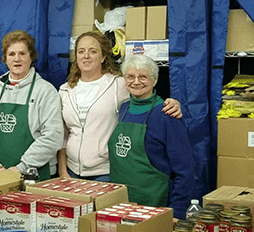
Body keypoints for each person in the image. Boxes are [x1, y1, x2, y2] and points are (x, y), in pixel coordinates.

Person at [58, 31, 182, 181]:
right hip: (71, 172)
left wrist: (171, 103)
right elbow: (63, 135)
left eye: (93, 51)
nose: (86, 56)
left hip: (105, 172)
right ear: (76, 56)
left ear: (103, 57)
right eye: (81, 51)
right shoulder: (65, 90)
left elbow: (145, 95)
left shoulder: (118, 84)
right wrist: (63, 171)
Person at [109, 55, 194, 219]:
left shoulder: (167, 114)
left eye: (143, 77)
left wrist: (176, 211)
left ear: (154, 80)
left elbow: (185, 170)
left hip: (154, 204)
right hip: (121, 203)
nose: (136, 82)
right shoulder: (123, 109)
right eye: (130, 76)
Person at [0, 30, 63, 181]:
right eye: (11, 54)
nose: (17, 59)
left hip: (34, 177)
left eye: (22, 53)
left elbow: (53, 136)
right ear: (5, 59)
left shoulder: (46, 91)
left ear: (31, 57)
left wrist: (21, 168)